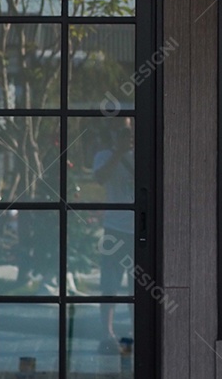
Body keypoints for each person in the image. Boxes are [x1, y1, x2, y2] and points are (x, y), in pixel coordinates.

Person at [94, 118, 135, 349]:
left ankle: (135, 328)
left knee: (138, 285)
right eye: (120, 130)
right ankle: (106, 332)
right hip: (115, 228)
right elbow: (100, 178)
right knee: (109, 283)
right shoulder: (104, 155)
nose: (125, 134)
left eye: (127, 129)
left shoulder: (142, 154)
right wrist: (118, 152)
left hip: (138, 229)